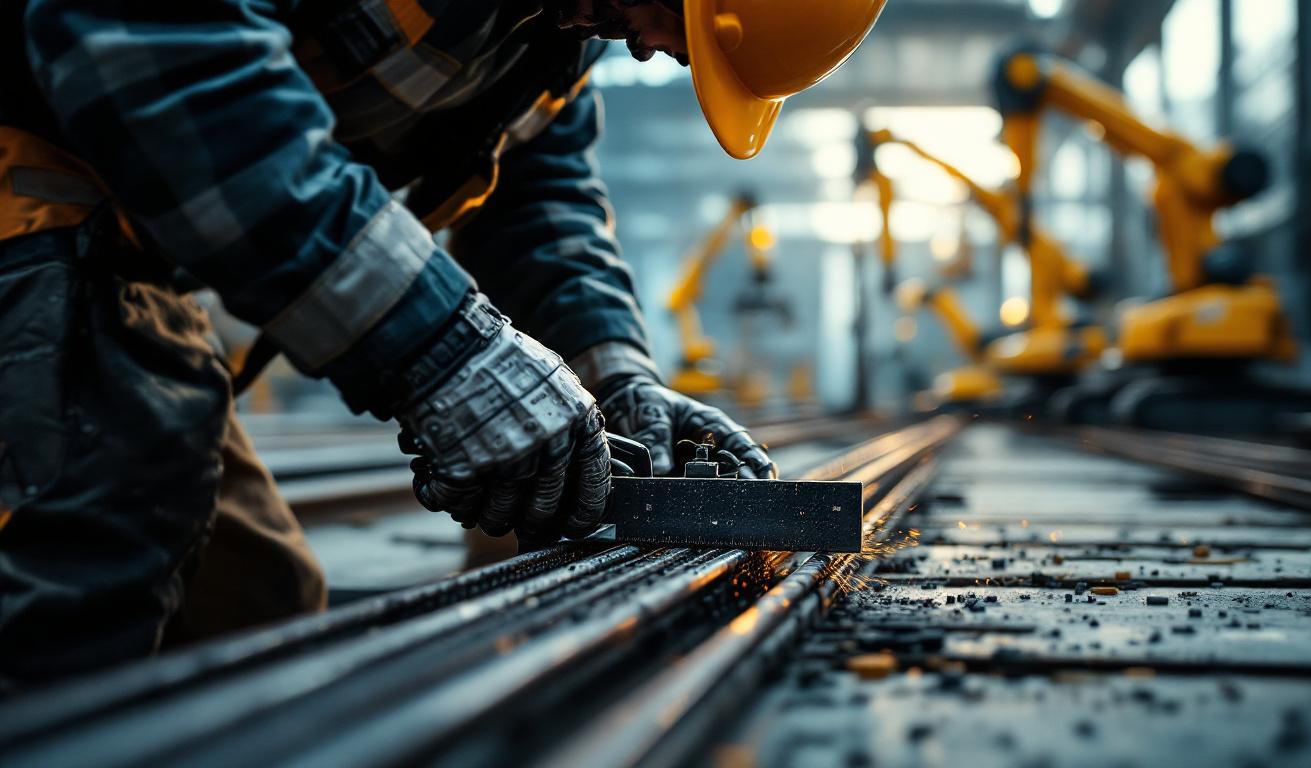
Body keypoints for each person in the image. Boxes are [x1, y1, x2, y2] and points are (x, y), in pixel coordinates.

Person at [0, 0, 885, 685]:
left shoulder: (558, 33)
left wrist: (615, 380)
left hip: (121, 242)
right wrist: (437, 351)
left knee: (255, 605)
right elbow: (160, 51)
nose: (652, 48)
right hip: (31, 200)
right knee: (92, 547)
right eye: (669, 12)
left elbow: (537, 202)